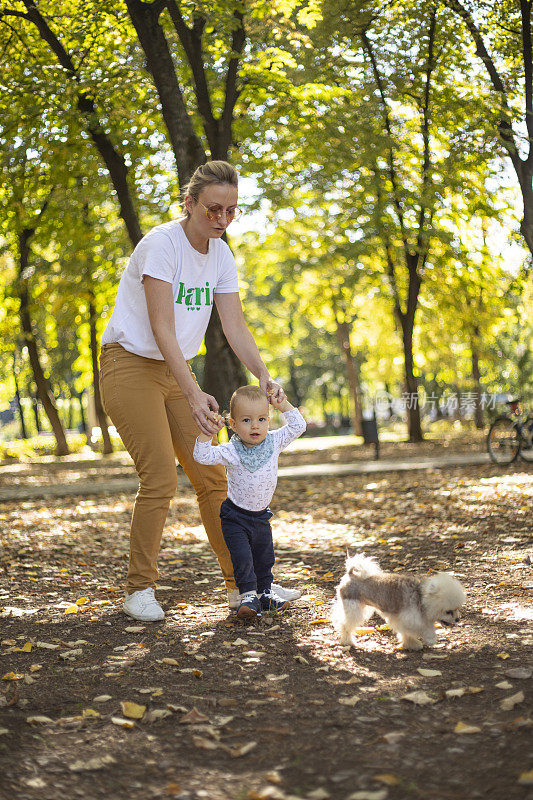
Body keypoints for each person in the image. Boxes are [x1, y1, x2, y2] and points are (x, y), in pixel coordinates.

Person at [99, 160, 300, 622]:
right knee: (161, 478)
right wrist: (193, 392)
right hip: (129, 364)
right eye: (213, 209)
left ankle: (243, 588)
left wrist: (265, 374)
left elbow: (234, 326)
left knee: (213, 477)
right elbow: (162, 328)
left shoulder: (222, 254)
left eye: (231, 211)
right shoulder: (161, 245)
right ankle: (139, 589)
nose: (222, 220)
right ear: (189, 204)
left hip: (175, 371)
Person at [193, 385, 306, 619]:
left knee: (265, 557)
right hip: (235, 517)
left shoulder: (274, 441)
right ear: (233, 424)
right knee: (243, 558)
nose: (255, 425)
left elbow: (299, 425)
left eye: (261, 419)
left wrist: (281, 403)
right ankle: (247, 597)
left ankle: (265, 593)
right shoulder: (231, 450)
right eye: (246, 420)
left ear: (268, 420)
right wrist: (208, 431)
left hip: (261, 516)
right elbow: (201, 456)